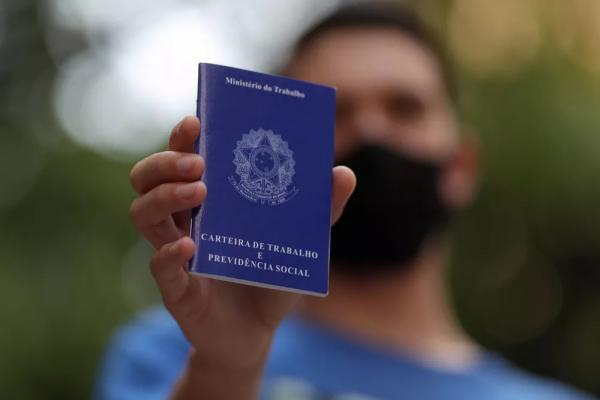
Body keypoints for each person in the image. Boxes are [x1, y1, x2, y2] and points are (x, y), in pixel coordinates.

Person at [95, 3, 595, 399]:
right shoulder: (175, 356)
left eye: (405, 107)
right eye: (335, 110)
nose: (371, 129)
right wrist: (228, 370)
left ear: (461, 166)